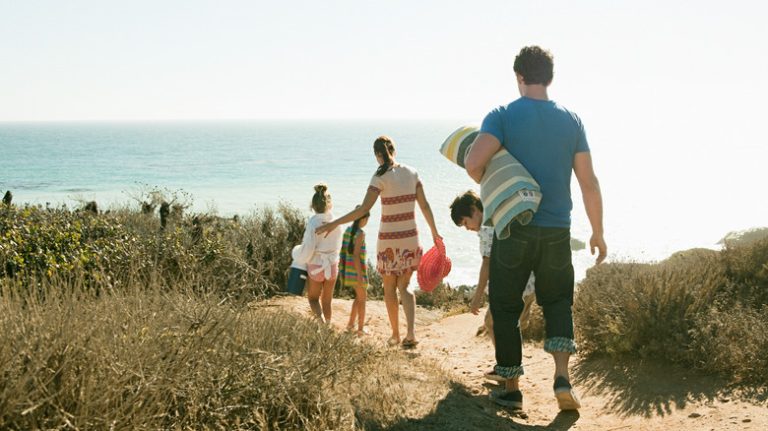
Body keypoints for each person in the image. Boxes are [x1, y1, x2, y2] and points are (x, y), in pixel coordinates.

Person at [464, 46, 607, 411]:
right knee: (558, 301)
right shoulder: (571, 121)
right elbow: (589, 182)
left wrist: (496, 180)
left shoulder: (503, 116)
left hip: (514, 229)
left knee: (506, 305)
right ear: (550, 77)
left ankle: (511, 387)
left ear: (519, 77)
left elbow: (473, 162)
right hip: (558, 229)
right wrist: (597, 232)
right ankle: (562, 379)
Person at [317, 135, 442, 349]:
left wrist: (333, 223)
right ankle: (411, 334)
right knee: (405, 286)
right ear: (394, 149)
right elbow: (425, 205)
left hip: (389, 241)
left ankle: (395, 334)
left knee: (389, 289)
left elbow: (363, 209)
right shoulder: (412, 173)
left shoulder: (379, 177)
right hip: (410, 238)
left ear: (377, 155)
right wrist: (435, 233)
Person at [450, 190, 535, 382]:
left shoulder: (487, 229)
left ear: (474, 210)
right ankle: (509, 367)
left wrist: (477, 297)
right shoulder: (499, 214)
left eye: (465, 222)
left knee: (494, 324)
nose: (467, 228)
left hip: (514, 288)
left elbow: (486, 264)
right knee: (512, 327)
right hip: (528, 284)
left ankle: (507, 369)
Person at [292, 184, 343, 323]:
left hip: (316, 266)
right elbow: (338, 246)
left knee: (313, 299)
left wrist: (296, 253)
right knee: (327, 300)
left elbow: (308, 248)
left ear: (312, 207)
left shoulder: (313, 222)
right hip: (332, 266)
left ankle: (319, 321)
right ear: (330, 205)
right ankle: (328, 324)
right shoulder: (337, 222)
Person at [339, 207, 371, 336]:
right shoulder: (360, 234)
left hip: (348, 271)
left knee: (359, 297)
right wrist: (360, 274)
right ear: (363, 218)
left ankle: (351, 324)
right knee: (363, 299)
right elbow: (356, 255)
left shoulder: (348, 230)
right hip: (356, 271)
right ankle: (360, 329)